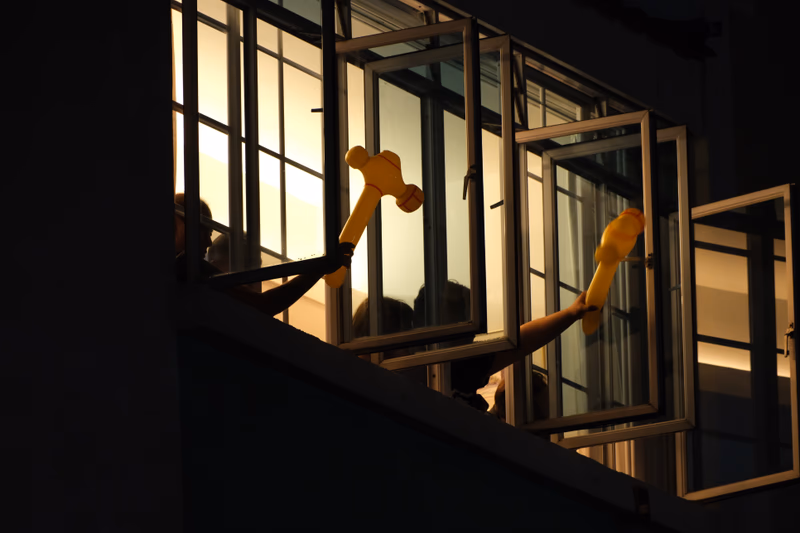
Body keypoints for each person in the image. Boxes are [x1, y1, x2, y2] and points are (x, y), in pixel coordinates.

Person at [414, 280, 596, 413]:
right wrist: (571, 314)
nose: (474, 330)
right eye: (464, 314)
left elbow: (520, 341)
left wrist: (571, 313)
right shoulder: (428, 371)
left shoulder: (461, 364)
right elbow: (520, 342)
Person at [174, 193, 354, 316]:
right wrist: (321, 267)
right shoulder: (186, 267)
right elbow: (264, 304)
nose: (208, 242)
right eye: (202, 231)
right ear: (175, 223)